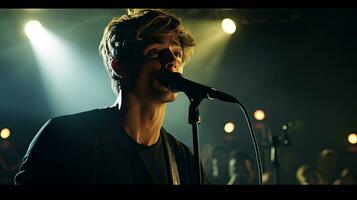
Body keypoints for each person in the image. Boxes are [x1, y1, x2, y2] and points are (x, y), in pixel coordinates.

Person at [14, 9, 208, 184]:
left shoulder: (183, 161)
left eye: (177, 53)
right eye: (154, 52)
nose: (172, 61)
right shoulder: (64, 137)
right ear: (120, 67)